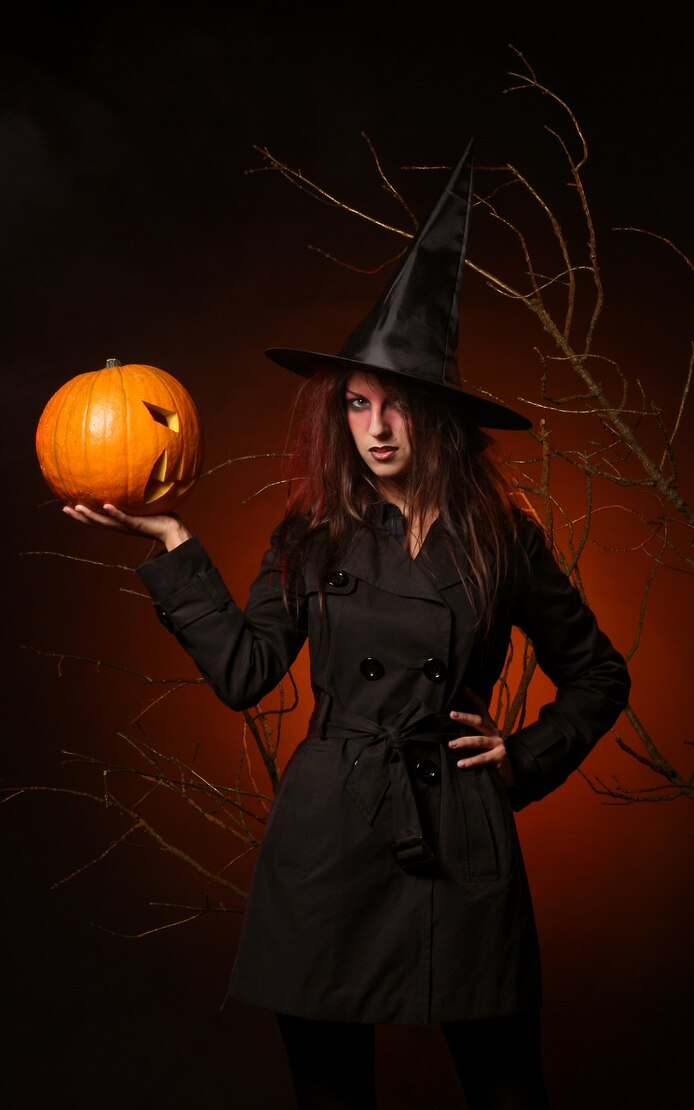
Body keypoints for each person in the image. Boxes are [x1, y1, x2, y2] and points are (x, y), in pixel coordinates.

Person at [63, 143, 630, 1109]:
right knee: (331, 1094)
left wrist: (525, 757)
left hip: (459, 833)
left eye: (398, 406)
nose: (375, 429)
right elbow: (247, 673)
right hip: (327, 842)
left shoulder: (503, 541)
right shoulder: (311, 533)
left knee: (506, 1085)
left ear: (440, 420)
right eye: (359, 405)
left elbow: (600, 674)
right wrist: (171, 542)